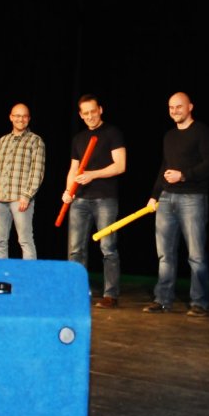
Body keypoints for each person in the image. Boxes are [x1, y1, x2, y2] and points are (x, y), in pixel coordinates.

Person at [144, 92, 209, 317]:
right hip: (167, 198)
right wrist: (154, 195)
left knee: (196, 255)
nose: (174, 111)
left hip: (192, 199)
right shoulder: (169, 136)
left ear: (190, 107)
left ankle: (199, 302)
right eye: (171, 107)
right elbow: (164, 167)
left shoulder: (202, 132)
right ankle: (162, 299)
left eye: (179, 106)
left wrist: (184, 175)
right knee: (165, 255)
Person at [62, 94, 126, 309]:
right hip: (79, 199)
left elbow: (120, 165)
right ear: (81, 115)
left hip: (105, 199)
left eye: (93, 111)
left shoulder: (113, 133)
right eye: (85, 113)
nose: (90, 116)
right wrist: (68, 191)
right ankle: (76, 292)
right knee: (75, 249)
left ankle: (110, 294)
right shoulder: (78, 138)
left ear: (100, 110)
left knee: (108, 247)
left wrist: (92, 175)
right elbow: (73, 169)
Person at [0, 103, 46, 260]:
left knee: (25, 241)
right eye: (17, 116)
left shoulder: (35, 141)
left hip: (20, 200)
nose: (20, 119)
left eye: (24, 116)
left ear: (29, 119)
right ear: (11, 117)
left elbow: (37, 172)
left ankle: (29, 273)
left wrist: (27, 195)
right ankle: (1, 273)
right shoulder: (3, 141)